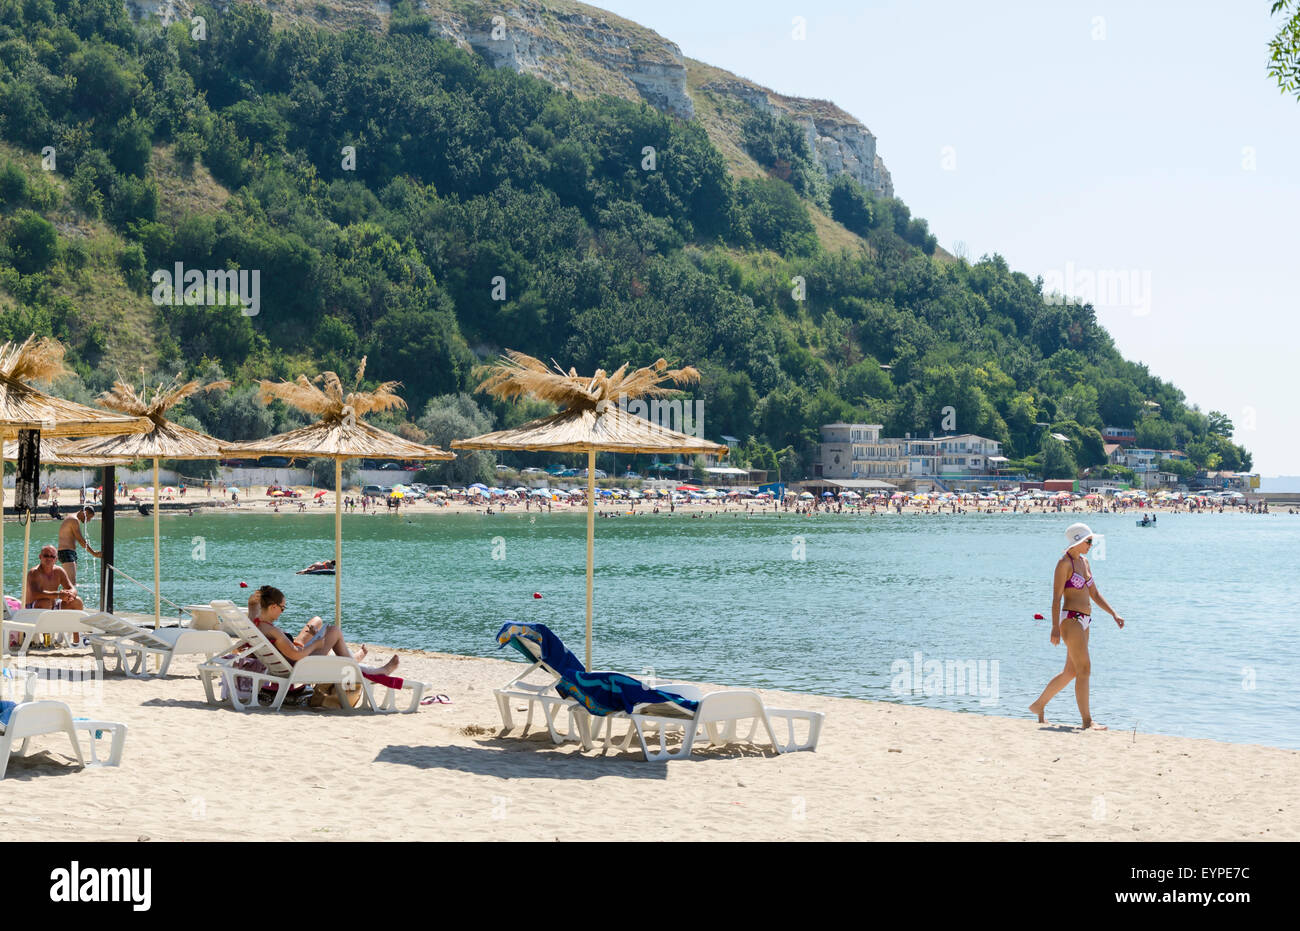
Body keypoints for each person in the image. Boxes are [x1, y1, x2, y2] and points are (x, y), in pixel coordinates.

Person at [1030, 523, 1125, 730]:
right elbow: (1056, 599)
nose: (1091, 545)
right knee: (1085, 668)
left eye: (1092, 541)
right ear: (1078, 541)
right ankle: (1087, 721)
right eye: (1089, 541)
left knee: (1071, 671)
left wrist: (1113, 614)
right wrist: (1054, 627)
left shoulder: (1085, 562)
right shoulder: (1063, 564)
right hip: (1070, 620)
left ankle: (1039, 705)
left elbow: (1095, 595)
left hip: (1085, 621)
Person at [250, 586, 396, 676]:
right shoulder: (273, 631)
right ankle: (374, 671)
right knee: (334, 631)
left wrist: (253, 601)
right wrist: (316, 644)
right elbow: (296, 655)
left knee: (323, 625)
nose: (282, 612)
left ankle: (353, 660)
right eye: (282, 608)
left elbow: (252, 606)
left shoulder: (256, 623)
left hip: (285, 662)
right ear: (273, 607)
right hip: (300, 667)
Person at [24, 545, 85, 611]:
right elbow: (35, 594)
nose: (49, 558)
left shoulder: (59, 571)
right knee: (45, 602)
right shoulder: (34, 572)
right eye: (46, 555)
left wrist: (70, 594)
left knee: (77, 601)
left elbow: (71, 588)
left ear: (56, 559)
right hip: (33, 607)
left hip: (53, 604)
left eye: (52, 556)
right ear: (40, 557)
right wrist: (59, 595)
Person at [57, 506, 100, 586]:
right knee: (71, 585)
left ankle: (64, 598)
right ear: (85, 513)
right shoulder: (73, 520)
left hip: (69, 553)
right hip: (66, 552)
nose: (89, 521)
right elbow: (80, 540)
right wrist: (94, 553)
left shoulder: (72, 518)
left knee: (70, 584)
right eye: (89, 518)